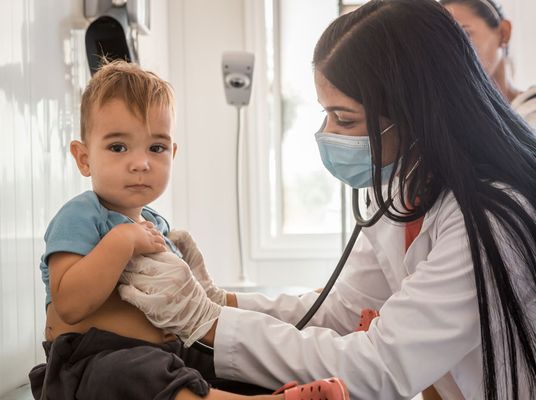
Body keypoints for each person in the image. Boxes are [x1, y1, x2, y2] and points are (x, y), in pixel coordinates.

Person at [119, 1, 536, 399]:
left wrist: (205, 321)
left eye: (345, 118)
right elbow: (341, 313)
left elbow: (381, 367)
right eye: (326, 113)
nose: (327, 133)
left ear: (414, 113)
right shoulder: (403, 192)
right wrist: (217, 299)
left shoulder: (489, 221)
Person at [28, 59, 350, 400]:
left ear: (173, 152)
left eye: (157, 148)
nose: (141, 163)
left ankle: (329, 351)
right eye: (118, 147)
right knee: (134, 373)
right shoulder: (81, 215)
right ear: (83, 158)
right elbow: (69, 304)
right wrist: (120, 242)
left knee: (228, 360)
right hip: (87, 365)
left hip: (168, 352)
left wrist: (197, 288)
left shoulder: (156, 224)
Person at [441, 0, 536, 128]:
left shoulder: (531, 109)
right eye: (445, 40)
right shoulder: (453, 122)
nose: (452, 49)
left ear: (503, 33)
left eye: (464, 34)